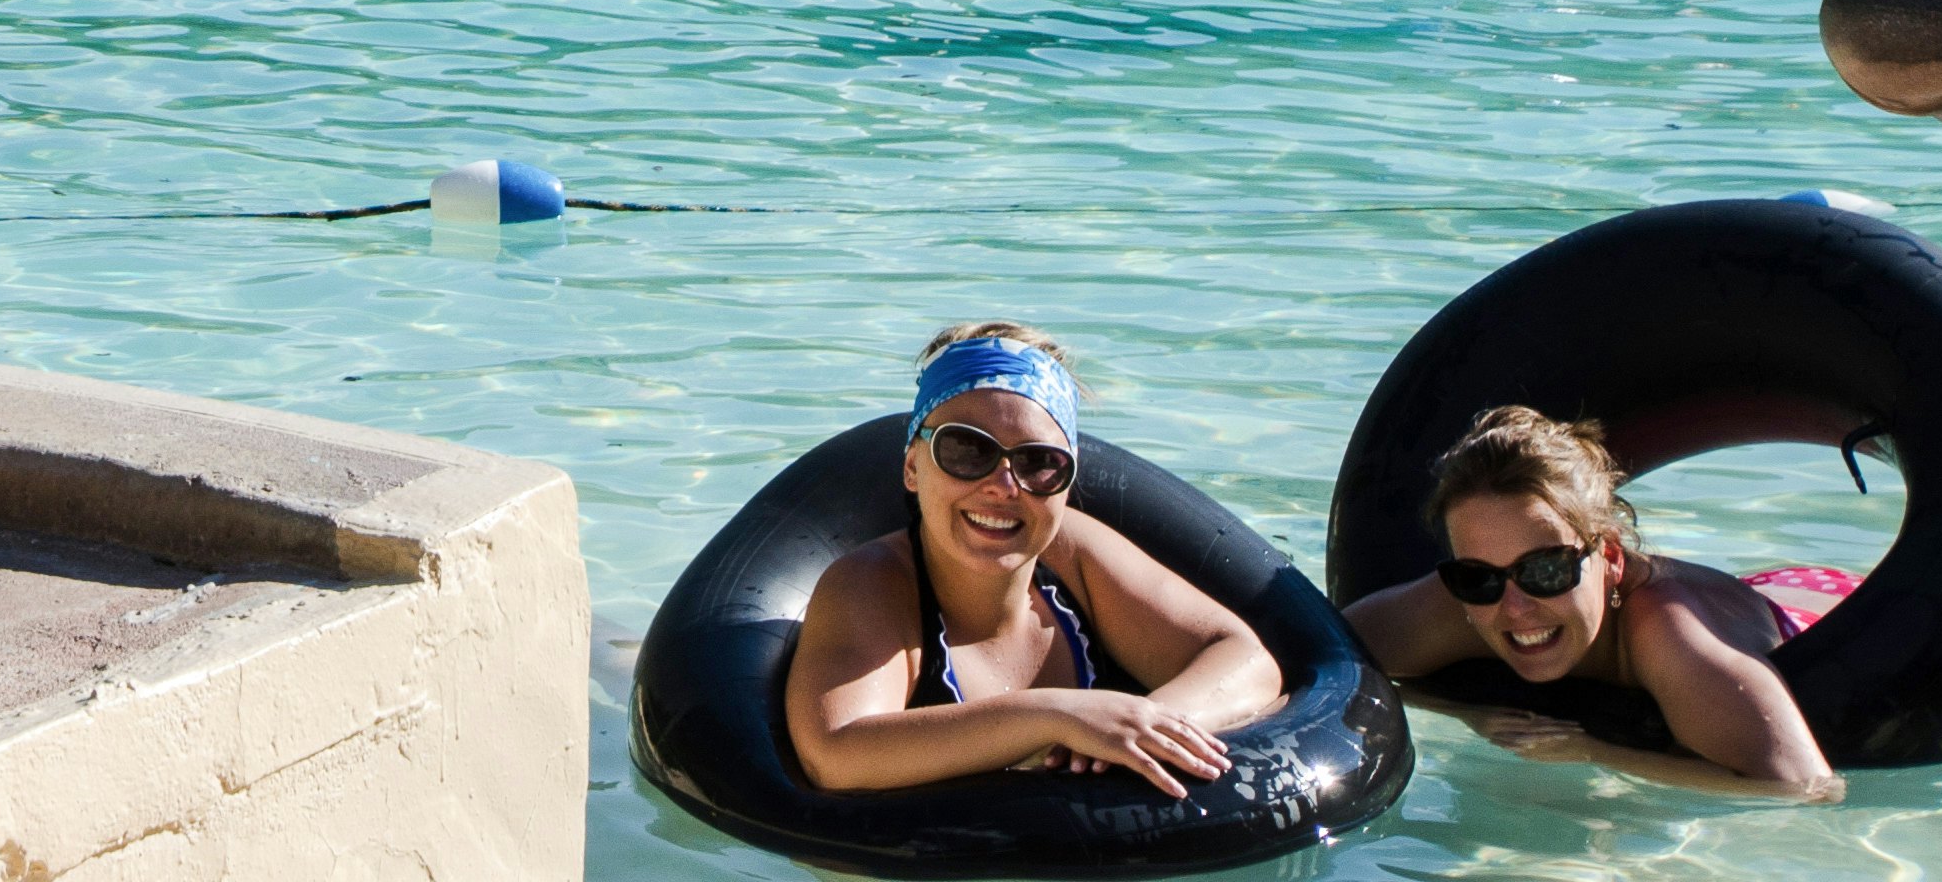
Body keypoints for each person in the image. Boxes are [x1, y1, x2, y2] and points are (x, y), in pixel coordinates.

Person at [782, 323, 1286, 796]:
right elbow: (835, 754)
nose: (1002, 487)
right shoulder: (873, 583)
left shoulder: (1075, 555)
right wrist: (1056, 715)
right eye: (967, 451)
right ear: (914, 467)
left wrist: (1141, 723)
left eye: (1038, 462)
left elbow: (1246, 660)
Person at [1346, 405, 1842, 800]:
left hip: (1816, 607)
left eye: (1546, 570)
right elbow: (1320, 660)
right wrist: (1460, 712)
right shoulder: (1459, 600)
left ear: (1607, 553)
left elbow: (1805, 788)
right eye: (1478, 577)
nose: (1514, 608)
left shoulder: (1672, 632)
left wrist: (1592, 752)